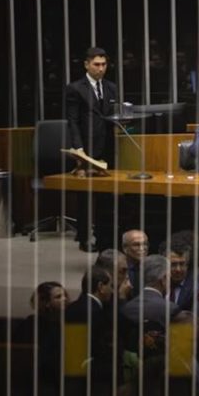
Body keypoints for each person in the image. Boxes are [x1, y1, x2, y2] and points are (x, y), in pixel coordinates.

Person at [65, 47, 119, 251]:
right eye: (96, 64)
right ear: (87, 64)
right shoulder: (75, 88)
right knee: (86, 195)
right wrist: (79, 149)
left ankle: (104, 236)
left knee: (106, 193)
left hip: (107, 144)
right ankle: (84, 237)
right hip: (86, 146)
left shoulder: (112, 87)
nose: (101, 68)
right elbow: (73, 121)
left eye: (104, 64)